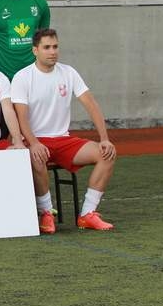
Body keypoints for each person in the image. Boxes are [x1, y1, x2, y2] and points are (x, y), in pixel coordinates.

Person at [12, 29, 117, 233]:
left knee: (108, 154)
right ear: (35, 50)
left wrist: (105, 138)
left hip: (63, 140)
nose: (52, 52)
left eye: (55, 47)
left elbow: (91, 104)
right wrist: (33, 143)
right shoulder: (23, 77)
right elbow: (21, 118)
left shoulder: (68, 72)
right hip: (36, 140)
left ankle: (87, 214)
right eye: (47, 48)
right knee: (36, 156)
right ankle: (46, 213)